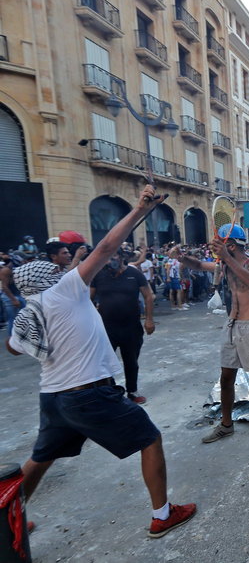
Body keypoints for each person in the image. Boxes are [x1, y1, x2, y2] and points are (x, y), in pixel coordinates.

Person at [5, 184, 196, 539]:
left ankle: (6, 520)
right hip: (88, 393)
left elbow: (13, 347)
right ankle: (162, 515)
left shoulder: (30, 312)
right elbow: (107, 247)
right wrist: (140, 211)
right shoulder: (64, 290)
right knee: (150, 438)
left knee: (40, 457)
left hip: (54, 397)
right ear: (50, 277)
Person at [171, 224, 249, 444]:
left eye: (219, 244)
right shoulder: (225, 265)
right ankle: (227, 425)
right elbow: (199, 264)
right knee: (226, 378)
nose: (216, 249)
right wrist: (182, 257)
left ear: (230, 245)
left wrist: (227, 258)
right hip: (231, 327)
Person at [91, 248, 156, 404]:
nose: (109, 260)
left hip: (131, 326)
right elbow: (89, 299)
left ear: (121, 257)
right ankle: (109, 391)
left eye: (113, 256)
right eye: (106, 257)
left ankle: (132, 391)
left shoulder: (134, 274)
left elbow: (148, 296)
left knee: (131, 361)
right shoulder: (98, 275)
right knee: (104, 362)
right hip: (106, 328)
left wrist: (149, 320)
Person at [0, 262, 24, 338]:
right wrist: (13, 299)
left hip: (17, 295)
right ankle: (12, 340)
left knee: (21, 318)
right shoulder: (6, 270)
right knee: (13, 319)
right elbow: (4, 286)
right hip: (10, 297)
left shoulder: (17, 268)